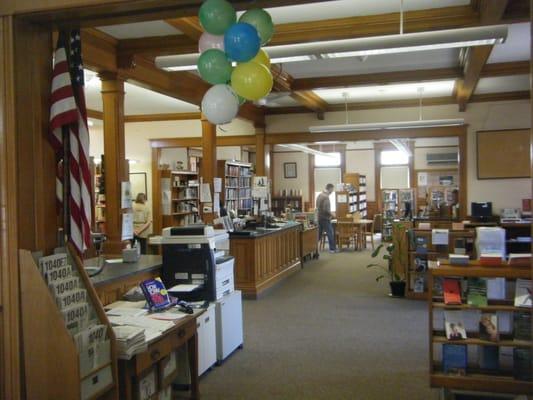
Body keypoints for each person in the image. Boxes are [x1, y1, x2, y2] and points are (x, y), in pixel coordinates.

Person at [316, 183, 337, 253]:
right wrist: (333, 215)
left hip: (319, 217)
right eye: (332, 189)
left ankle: (313, 248)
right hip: (325, 218)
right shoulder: (326, 197)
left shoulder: (319, 195)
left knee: (319, 234)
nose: (332, 191)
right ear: (330, 189)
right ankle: (332, 249)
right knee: (330, 233)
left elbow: (317, 206)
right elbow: (326, 210)